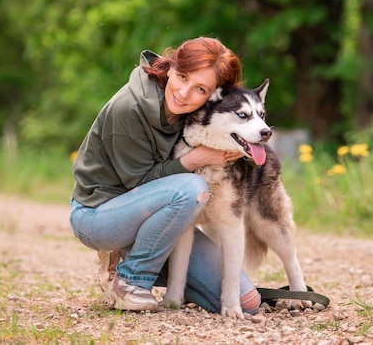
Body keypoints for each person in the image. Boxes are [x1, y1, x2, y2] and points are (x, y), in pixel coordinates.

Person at [69, 37, 261, 313]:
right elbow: (140, 184)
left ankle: (160, 268)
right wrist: (196, 158)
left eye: (200, 89)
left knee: (247, 302)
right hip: (99, 214)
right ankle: (131, 279)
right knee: (190, 188)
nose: (184, 93)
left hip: (160, 217)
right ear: (171, 67)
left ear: (214, 96)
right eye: (182, 77)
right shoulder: (129, 108)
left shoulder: (197, 114)